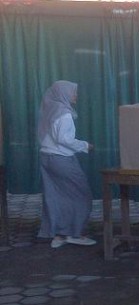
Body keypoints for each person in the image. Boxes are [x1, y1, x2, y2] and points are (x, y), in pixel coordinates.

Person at [36, 80, 97, 248]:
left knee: (56, 196)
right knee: (81, 194)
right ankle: (76, 233)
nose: (75, 95)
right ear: (63, 94)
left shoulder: (50, 109)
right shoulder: (64, 113)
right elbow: (64, 139)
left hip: (46, 157)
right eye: (73, 92)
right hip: (61, 159)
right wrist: (85, 145)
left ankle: (59, 233)